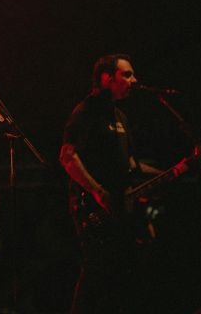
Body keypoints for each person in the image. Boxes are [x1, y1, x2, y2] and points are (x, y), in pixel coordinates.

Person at [59, 54, 161, 313]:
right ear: (106, 78)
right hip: (92, 209)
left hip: (118, 207)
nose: (133, 80)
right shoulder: (86, 112)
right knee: (95, 271)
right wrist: (98, 192)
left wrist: (169, 172)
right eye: (126, 75)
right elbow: (68, 157)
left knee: (120, 275)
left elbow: (131, 164)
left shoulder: (120, 117)